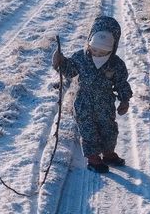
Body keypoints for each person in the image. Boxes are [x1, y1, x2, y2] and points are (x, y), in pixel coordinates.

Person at [52, 14, 133, 173]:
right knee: (88, 130)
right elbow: (70, 70)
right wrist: (60, 63)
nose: (97, 54)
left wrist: (124, 100)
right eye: (94, 50)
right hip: (83, 103)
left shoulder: (116, 65)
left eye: (103, 52)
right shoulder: (80, 58)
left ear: (113, 48)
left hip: (105, 104)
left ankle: (108, 153)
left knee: (109, 129)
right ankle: (93, 158)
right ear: (89, 42)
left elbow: (121, 83)